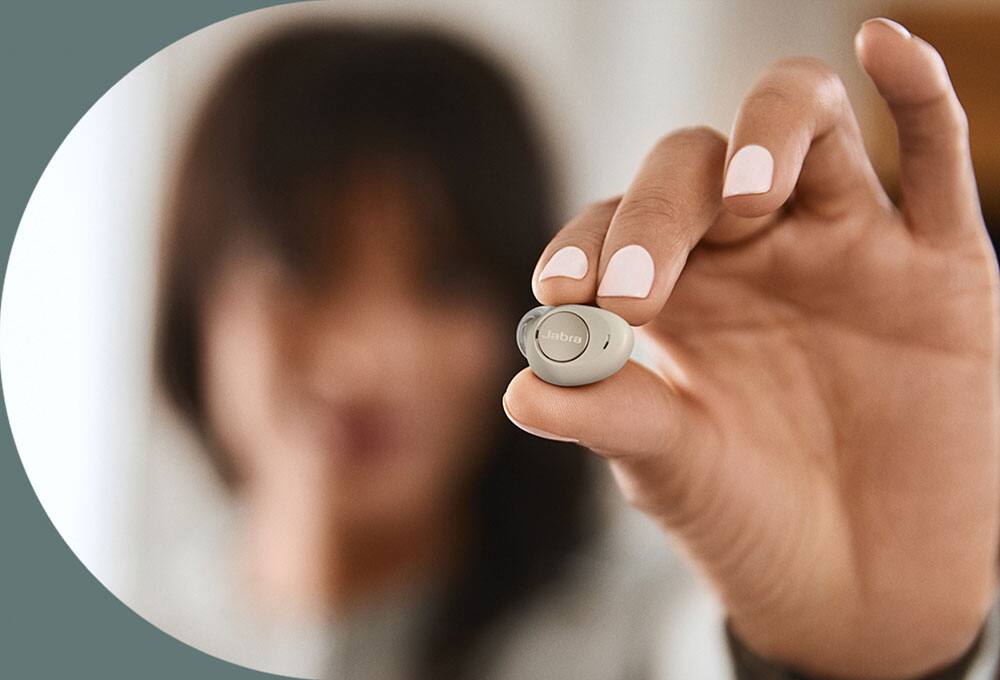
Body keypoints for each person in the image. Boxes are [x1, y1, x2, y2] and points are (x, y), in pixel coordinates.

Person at [153, 17, 1000, 680]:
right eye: (302, 263)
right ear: (197, 293)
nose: (364, 358)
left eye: (445, 281)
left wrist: (863, 665)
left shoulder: (639, 637)